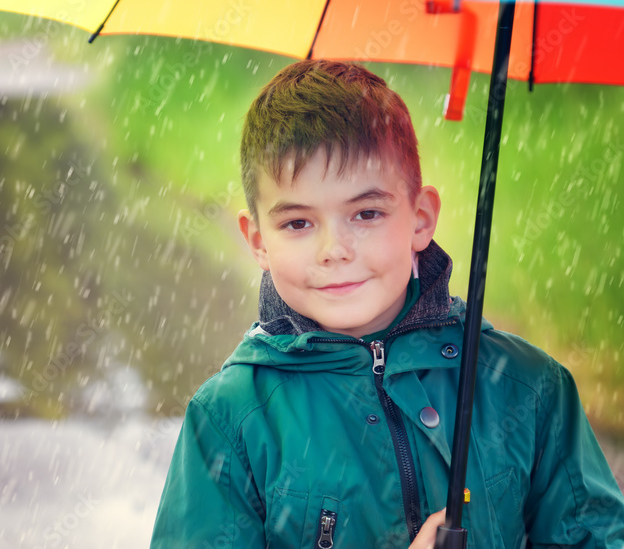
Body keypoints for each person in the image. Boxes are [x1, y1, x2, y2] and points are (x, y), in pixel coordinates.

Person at [150, 60, 624, 547]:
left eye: (367, 213)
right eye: (298, 223)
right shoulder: (231, 420)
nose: (334, 249)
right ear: (257, 241)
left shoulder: (530, 388)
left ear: (420, 219)